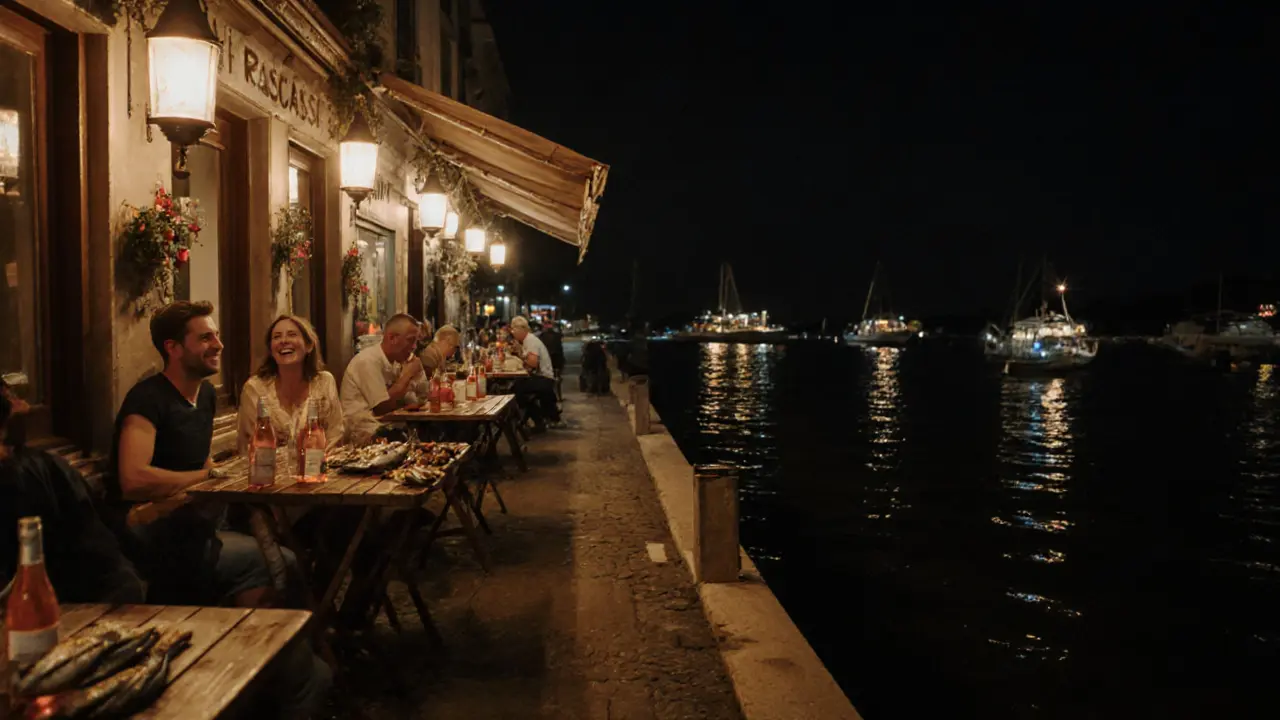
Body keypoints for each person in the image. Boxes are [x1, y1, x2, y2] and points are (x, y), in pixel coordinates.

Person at [110, 301, 330, 719]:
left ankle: (271, 673)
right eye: (206, 337)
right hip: (151, 535)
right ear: (174, 348)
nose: (219, 344)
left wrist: (211, 478)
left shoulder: (206, 395)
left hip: (197, 525)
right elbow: (132, 478)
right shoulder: (149, 398)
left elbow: (203, 471)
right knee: (277, 561)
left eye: (216, 335)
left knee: (280, 560)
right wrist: (206, 478)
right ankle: (284, 677)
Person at [0, 379, 145, 604]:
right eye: (11, 398)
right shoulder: (36, 468)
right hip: (93, 594)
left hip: (87, 598)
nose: (24, 404)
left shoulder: (35, 469)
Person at [238, 314, 344, 453]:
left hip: (318, 468)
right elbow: (254, 445)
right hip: (268, 470)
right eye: (276, 337)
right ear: (271, 350)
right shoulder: (255, 388)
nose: (284, 341)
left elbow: (335, 436)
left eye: (292, 335)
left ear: (309, 345)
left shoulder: (324, 382)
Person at [340, 313, 426, 444]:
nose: (414, 346)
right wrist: (407, 375)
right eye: (410, 340)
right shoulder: (368, 361)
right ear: (392, 338)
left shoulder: (396, 362)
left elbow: (422, 397)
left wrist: (418, 374)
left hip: (390, 429)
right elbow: (382, 407)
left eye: (416, 341)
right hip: (365, 436)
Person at [510, 316, 561, 429]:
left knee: (516, 390)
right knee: (517, 387)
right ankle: (535, 419)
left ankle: (535, 420)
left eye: (514, 331)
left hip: (544, 379)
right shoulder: (528, 340)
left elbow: (532, 364)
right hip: (541, 377)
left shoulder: (530, 341)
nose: (513, 334)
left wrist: (520, 354)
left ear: (521, 329)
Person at [539, 321, 566, 401]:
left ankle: (553, 396)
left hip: (549, 360)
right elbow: (560, 349)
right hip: (555, 360)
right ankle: (558, 396)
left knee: (550, 379)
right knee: (556, 379)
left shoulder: (542, 336)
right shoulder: (557, 336)